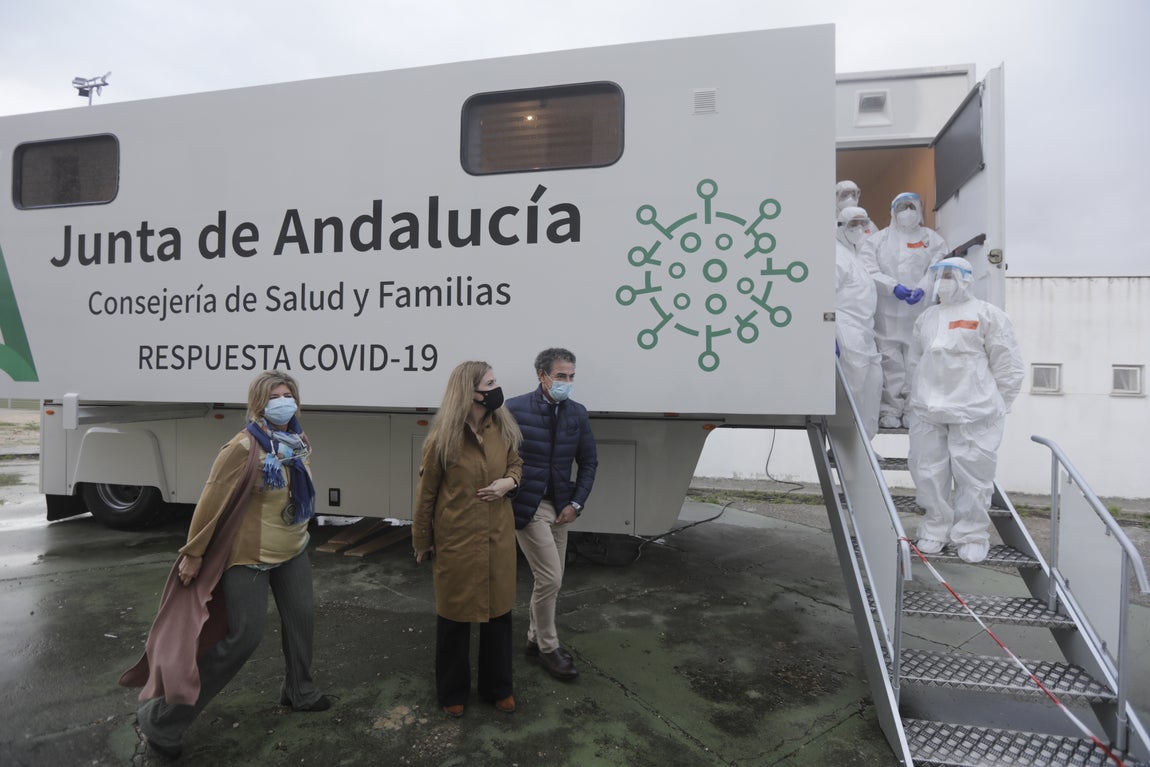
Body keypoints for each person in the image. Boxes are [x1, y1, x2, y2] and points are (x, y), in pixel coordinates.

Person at [122, 370, 328, 761]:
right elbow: (211, 501)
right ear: (258, 404)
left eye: (288, 395)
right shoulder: (242, 447)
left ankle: (300, 691)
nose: (283, 402)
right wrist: (194, 553)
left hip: (293, 548)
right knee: (242, 638)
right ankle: (162, 719)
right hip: (250, 556)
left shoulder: (297, 442)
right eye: (274, 397)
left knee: (302, 620)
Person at [412, 361, 524, 718]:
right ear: (470, 392)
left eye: (495, 381)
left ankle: (498, 688)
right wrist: (421, 539)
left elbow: (516, 465)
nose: (496, 388)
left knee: (499, 616)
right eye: (490, 383)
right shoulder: (442, 439)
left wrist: (510, 482)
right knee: (454, 619)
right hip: (457, 540)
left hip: (497, 538)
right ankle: (452, 692)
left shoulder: (502, 427)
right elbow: (426, 494)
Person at [906, 257, 1024, 563]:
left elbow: (1007, 363)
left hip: (975, 409)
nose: (943, 280)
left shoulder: (987, 314)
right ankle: (935, 528)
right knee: (927, 470)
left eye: (950, 274)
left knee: (973, 475)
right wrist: (914, 396)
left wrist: (1000, 404)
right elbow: (915, 361)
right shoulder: (928, 317)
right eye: (939, 275)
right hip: (927, 408)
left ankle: (971, 534)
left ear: (967, 279)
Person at [505, 348, 598, 680]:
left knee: (550, 580)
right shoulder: (514, 409)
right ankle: (548, 648)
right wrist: (509, 490)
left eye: (572, 376)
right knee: (550, 578)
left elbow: (589, 462)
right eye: (561, 376)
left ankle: (534, 639)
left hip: (561, 508)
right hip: (528, 506)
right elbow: (501, 457)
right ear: (542, 375)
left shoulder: (577, 413)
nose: (567, 382)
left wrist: (576, 503)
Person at [859, 192, 949, 429]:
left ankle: (912, 408)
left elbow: (936, 267)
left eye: (911, 206)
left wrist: (923, 288)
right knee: (889, 360)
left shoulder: (932, 239)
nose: (906, 212)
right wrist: (892, 287)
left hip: (918, 310)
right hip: (886, 310)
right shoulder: (877, 240)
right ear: (892, 211)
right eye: (901, 207)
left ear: (920, 208)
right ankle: (890, 409)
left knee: (916, 360)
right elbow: (868, 268)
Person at [834, 207, 882, 439]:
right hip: (845, 326)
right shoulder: (834, 254)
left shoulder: (857, 255)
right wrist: (827, 333)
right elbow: (823, 294)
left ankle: (865, 444)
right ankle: (846, 441)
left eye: (862, 224)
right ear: (839, 227)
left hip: (865, 329)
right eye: (852, 224)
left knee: (872, 387)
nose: (858, 229)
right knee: (853, 388)